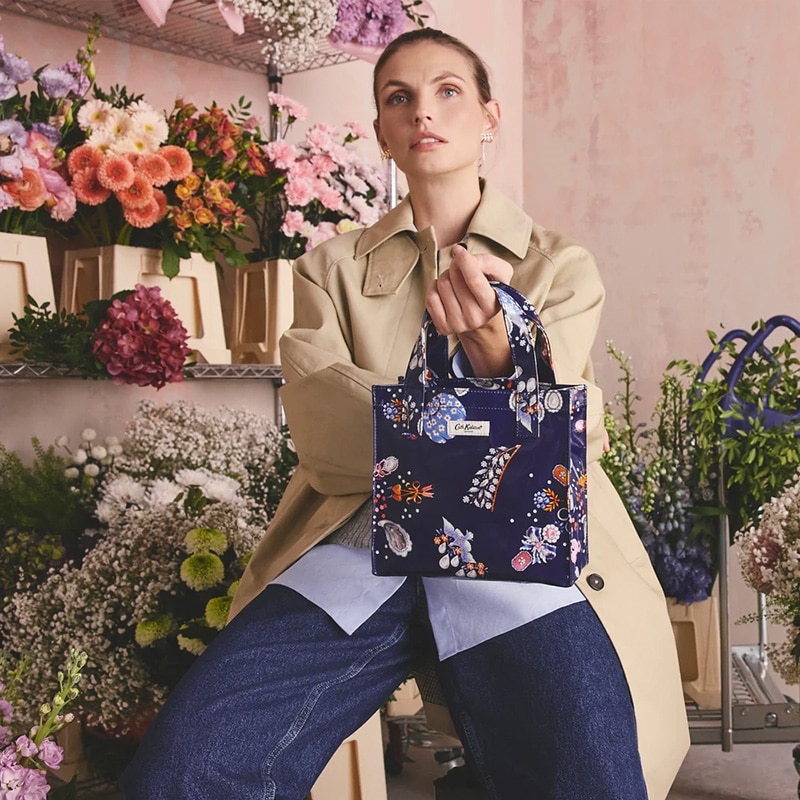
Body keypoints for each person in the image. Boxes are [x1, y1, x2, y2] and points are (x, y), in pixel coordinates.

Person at [121, 27, 689, 800]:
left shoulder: (560, 266)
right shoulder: (329, 269)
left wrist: (494, 355)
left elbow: (564, 429)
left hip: (522, 548)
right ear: (382, 130)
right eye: (400, 98)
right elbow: (323, 427)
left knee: (590, 775)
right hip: (360, 543)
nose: (424, 111)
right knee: (186, 762)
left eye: (448, 91)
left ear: (489, 116)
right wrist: (496, 410)